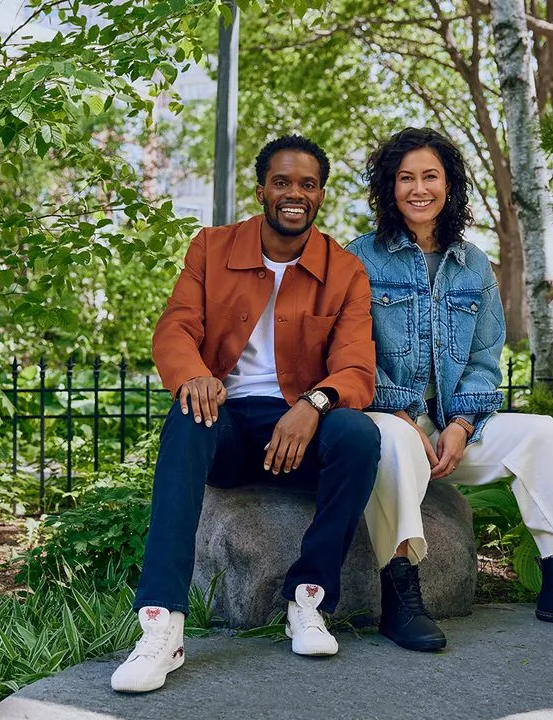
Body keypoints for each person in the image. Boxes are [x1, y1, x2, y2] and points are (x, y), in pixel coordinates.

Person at [346, 127, 553, 653]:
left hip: (451, 424)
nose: (418, 188)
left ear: (449, 184)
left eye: (430, 176)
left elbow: (484, 358)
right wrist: (405, 414)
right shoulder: (360, 258)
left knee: (541, 434)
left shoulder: (472, 264)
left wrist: (461, 424)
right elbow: (353, 352)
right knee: (391, 441)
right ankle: (400, 594)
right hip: (389, 417)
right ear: (388, 188)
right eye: (404, 177)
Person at [111, 135, 381, 693]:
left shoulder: (346, 271)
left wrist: (315, 404)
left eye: (307, 185)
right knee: (187, 418)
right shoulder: (210, 248)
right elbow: (176, 328)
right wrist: (194, 376)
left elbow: (356, 367)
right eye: (282, 182)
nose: (294, 194)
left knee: (357, 434)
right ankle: (162, 624)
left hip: (297, 434)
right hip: (227, 428)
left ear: (321, 196)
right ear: (262, 189)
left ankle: (308, 600)